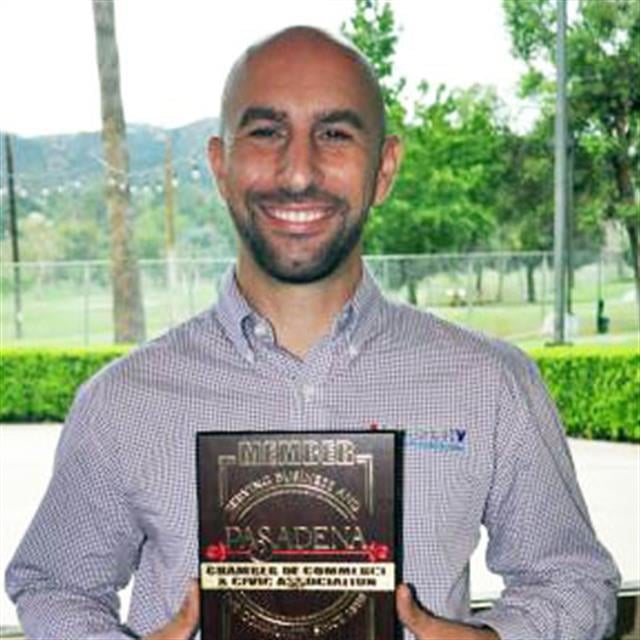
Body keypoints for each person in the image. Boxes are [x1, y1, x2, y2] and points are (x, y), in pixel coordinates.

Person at [6, 26, 620, 640]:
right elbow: (56, 584)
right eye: (267, 132)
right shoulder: (124, 399)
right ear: (221, 166)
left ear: (384, 169)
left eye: (334, 134)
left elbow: (571, 579)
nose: (297, 171)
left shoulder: (492, 382)